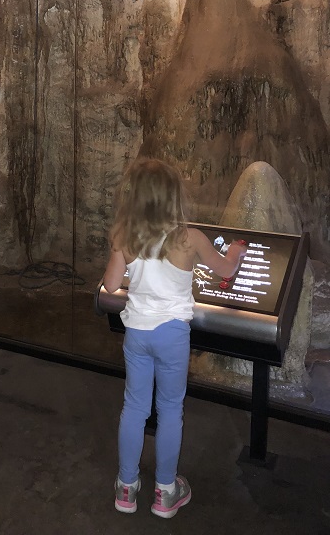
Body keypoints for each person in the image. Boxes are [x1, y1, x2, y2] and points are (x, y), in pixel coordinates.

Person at [102, 158, 247, 519]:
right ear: (173, 197)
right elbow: (225, 269)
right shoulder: (189, 237)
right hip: (172, 337)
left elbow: (110, 285)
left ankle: (126, 486)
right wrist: (236, 253)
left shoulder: (124, 236)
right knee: (169, 410)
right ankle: (166, 491)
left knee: (134, 407)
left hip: (137, 333)